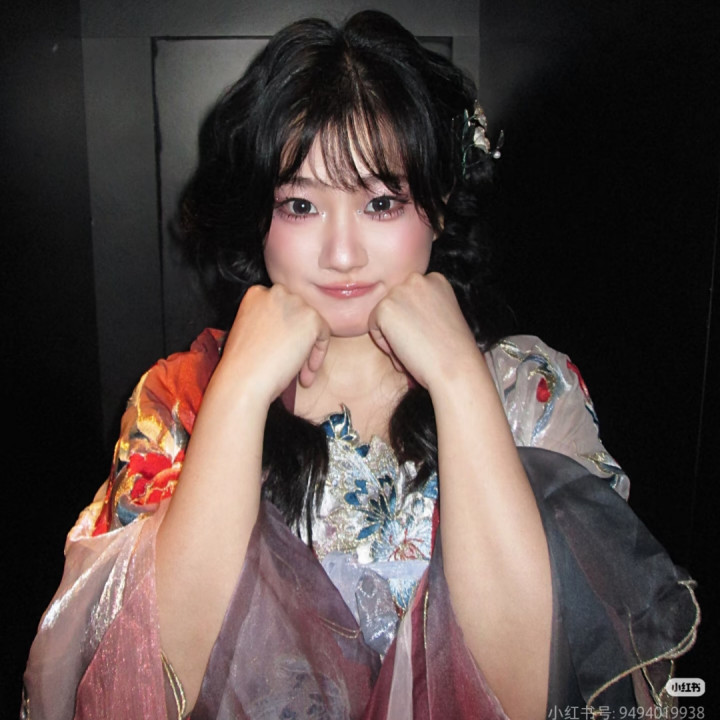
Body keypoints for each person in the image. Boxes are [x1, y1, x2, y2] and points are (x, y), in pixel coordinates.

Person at [22, 10, 698, 720]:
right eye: (300, 204)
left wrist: (459, 381)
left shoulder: (529, 392)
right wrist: (240, 393)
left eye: (380, 202)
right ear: (260, 218)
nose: (342, 255)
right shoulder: (181, 400)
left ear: (438, 207)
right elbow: (143, 687)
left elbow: (536, 694)